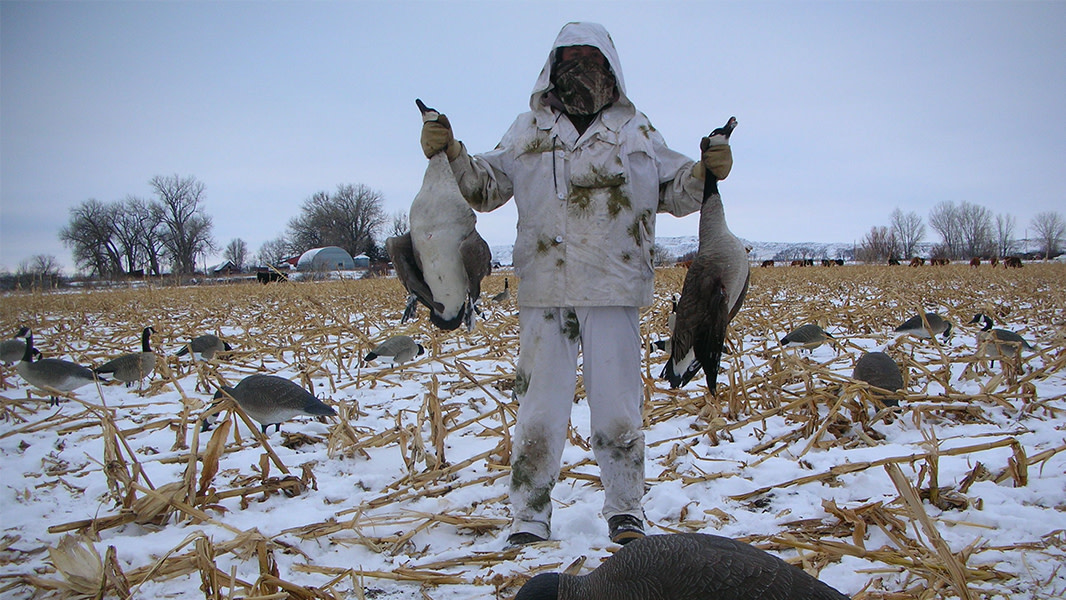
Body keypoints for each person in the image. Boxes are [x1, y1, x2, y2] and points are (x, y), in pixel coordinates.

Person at [419, 22, 733, 546]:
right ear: (553, 65)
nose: (580, 66)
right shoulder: (528, 131)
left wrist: (708, 167)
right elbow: (482, 186)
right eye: (570, 57)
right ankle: (529, 516)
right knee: (539, 411)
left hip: (615, 290)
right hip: (547, 292)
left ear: (610, 67)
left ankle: (626, 510)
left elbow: (679, 191)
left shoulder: (637, 132)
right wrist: (449, 151)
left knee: (618, 409)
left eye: (591, 57)